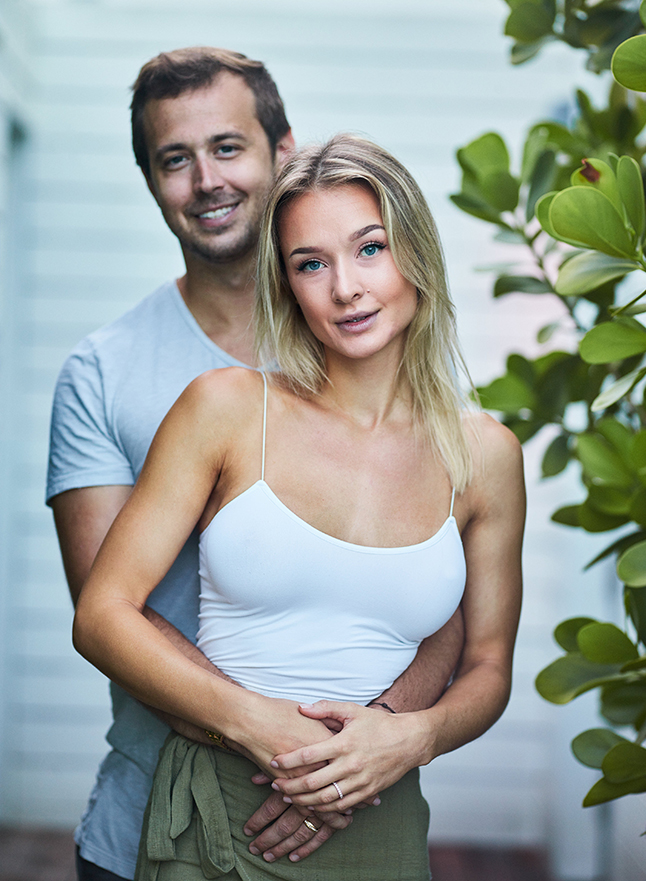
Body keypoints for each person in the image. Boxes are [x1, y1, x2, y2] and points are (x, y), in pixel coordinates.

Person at [47, 49, 465, 880]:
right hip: (156, 819)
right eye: (176, 159)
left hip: (360, 813)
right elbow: (108, 606)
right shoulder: (104, 371)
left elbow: (440, 592)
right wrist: (277, 745)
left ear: (283, 150)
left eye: (228, 148)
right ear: (151, 181)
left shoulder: (374, 334)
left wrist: (370, 743)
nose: (207, 179)